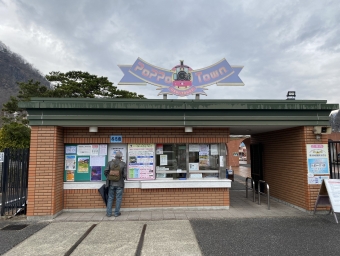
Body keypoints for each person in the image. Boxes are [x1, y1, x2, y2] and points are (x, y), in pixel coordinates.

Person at [104, 151, 126, 217]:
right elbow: (125, 175)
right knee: (118, 198)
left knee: (110, 198)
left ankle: (108, 213)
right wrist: (121, 177)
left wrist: (110, 177)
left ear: (115, 156)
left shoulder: (110, 163)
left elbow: (105, 172)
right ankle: (116, 213)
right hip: (120, 184)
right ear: (121, 157)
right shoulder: (123, 164)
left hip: (111, 183)